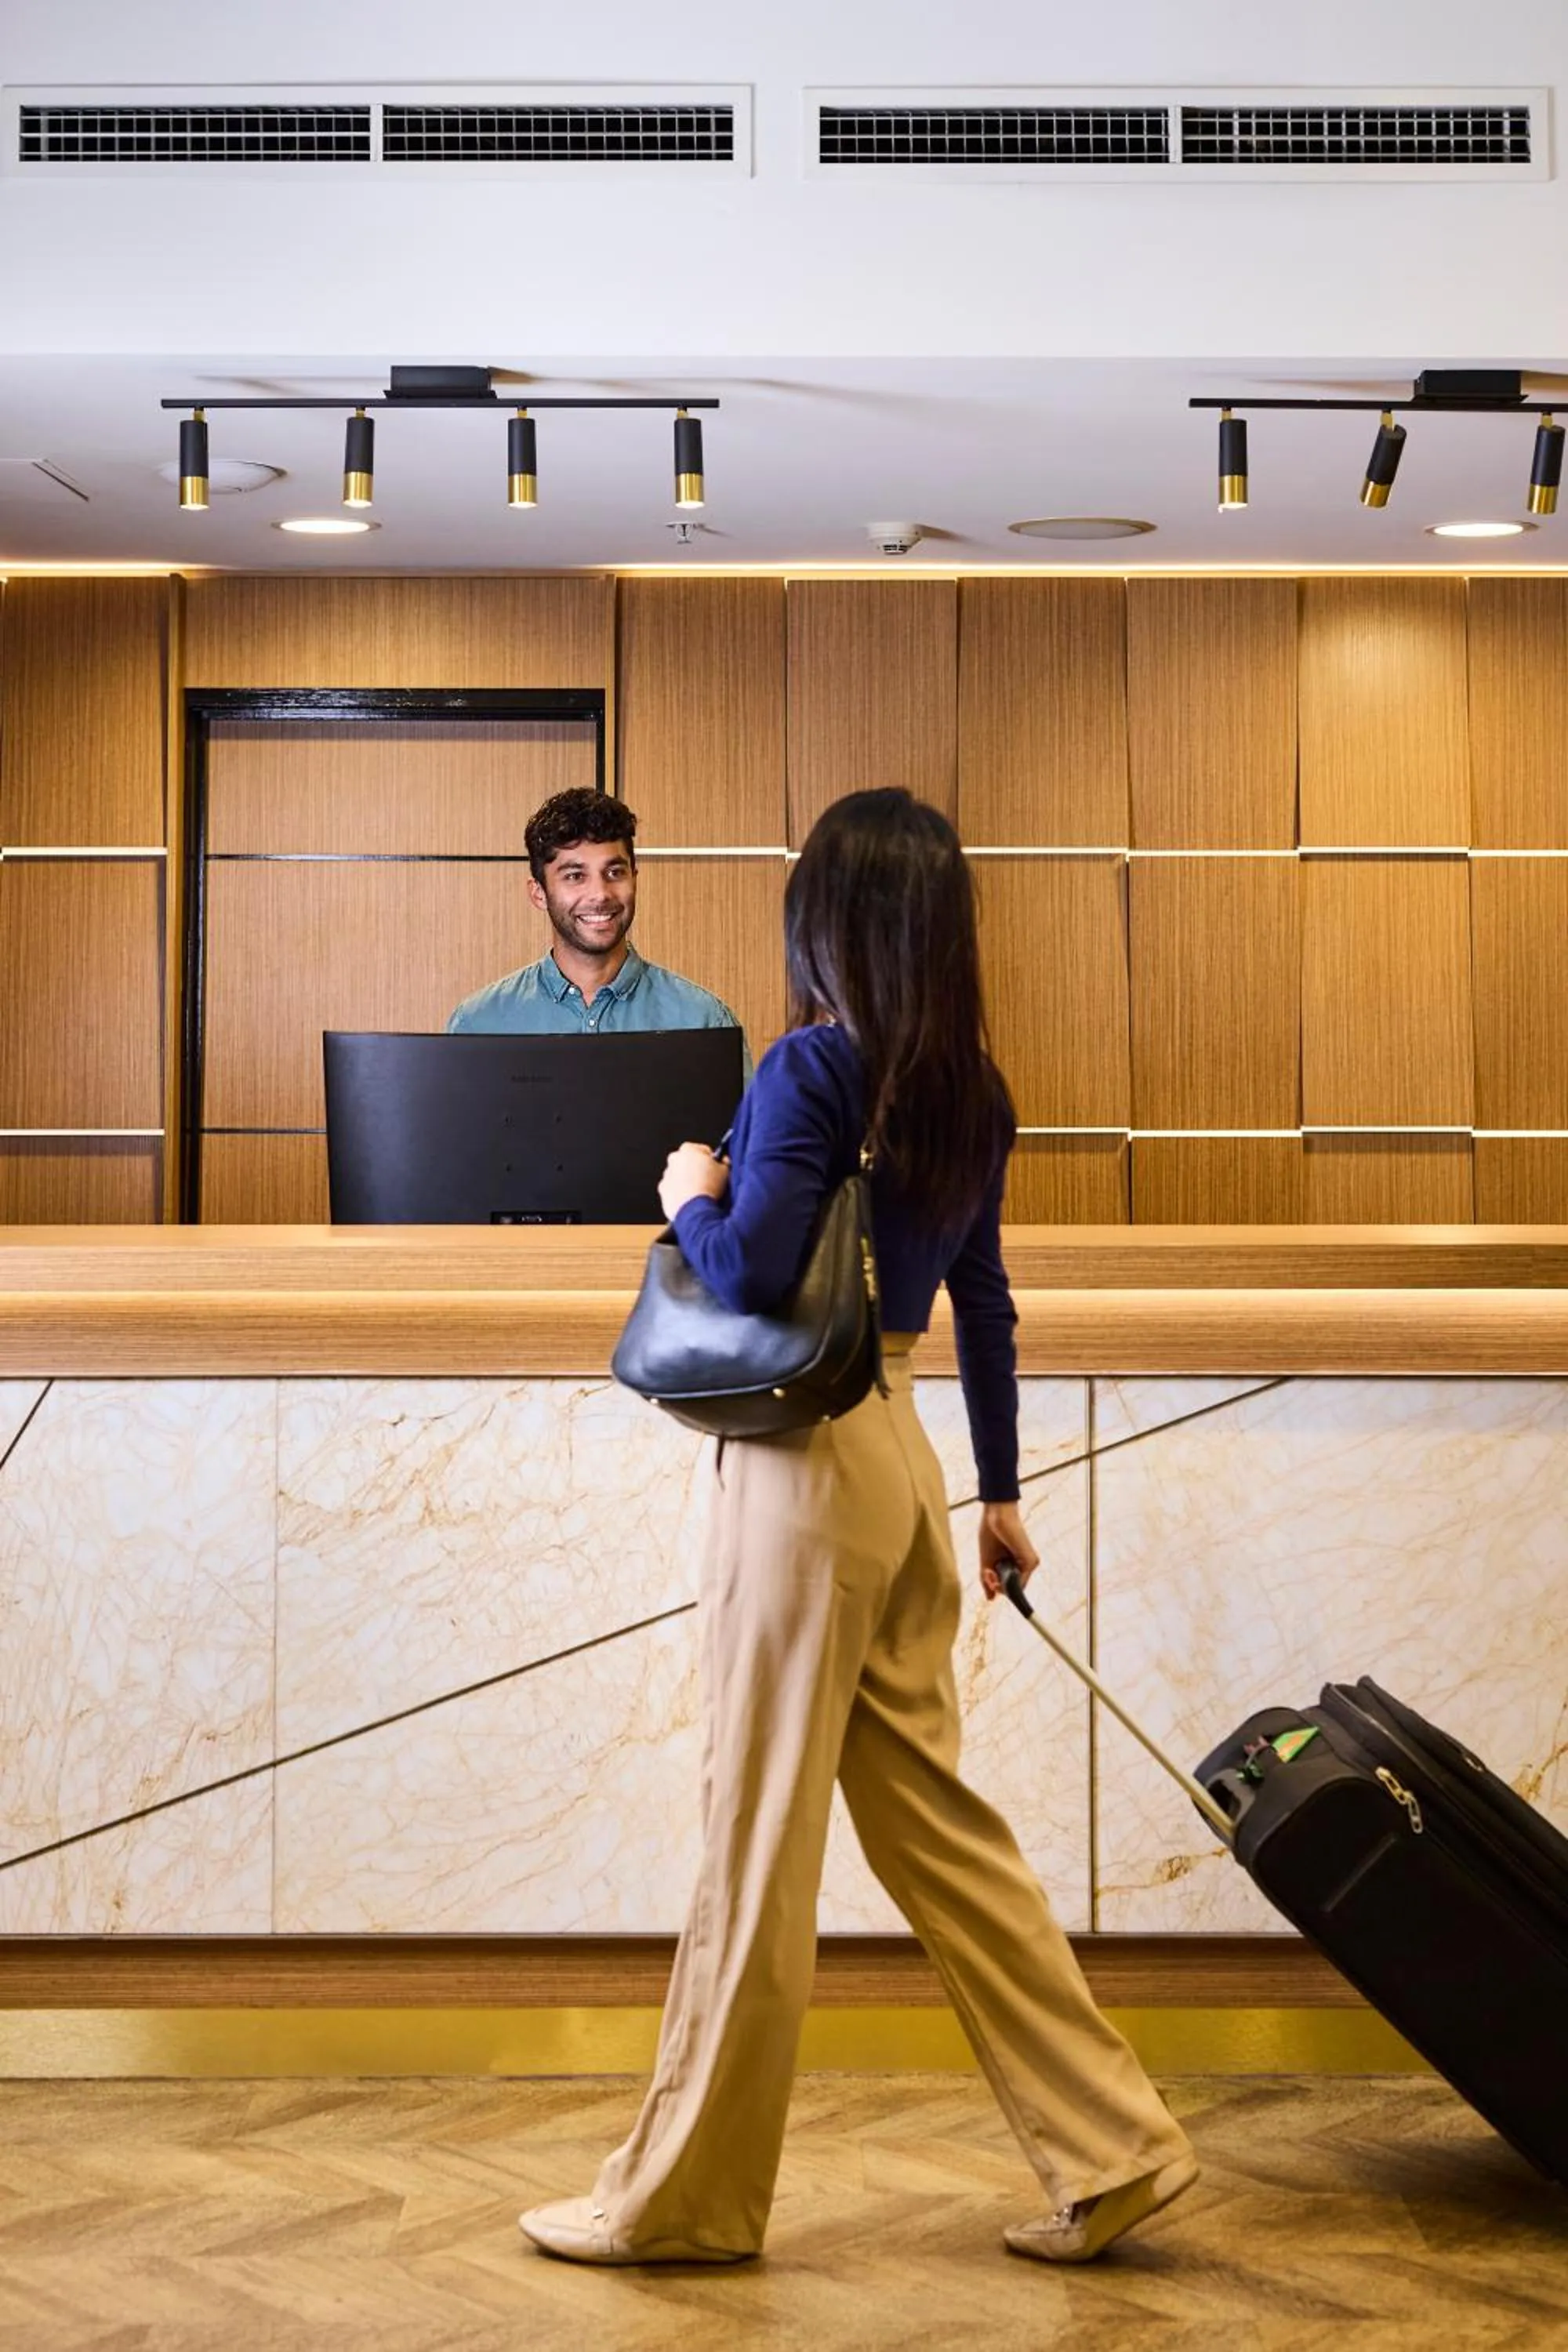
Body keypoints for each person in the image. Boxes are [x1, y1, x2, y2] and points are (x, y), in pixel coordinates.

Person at [520, 788, 1197, 2270]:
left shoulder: (811, 1066)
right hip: (901, 1466)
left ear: (826, 920)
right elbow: (990, 1306)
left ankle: (682, 2202)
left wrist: (687, 1195)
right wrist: (1003, 1495)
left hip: (802, 1471)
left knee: (752, 1839)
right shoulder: (971, 1083)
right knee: (945, 1838)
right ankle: (1112, 2144)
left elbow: (757, 1271)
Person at [447, 786, 750, 1078]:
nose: (600, 894)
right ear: (539, 893)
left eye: (614, 873)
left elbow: (748, 1132)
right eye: (576, 876)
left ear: (634, 879)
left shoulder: (705, 1022)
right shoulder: (478, 1024)